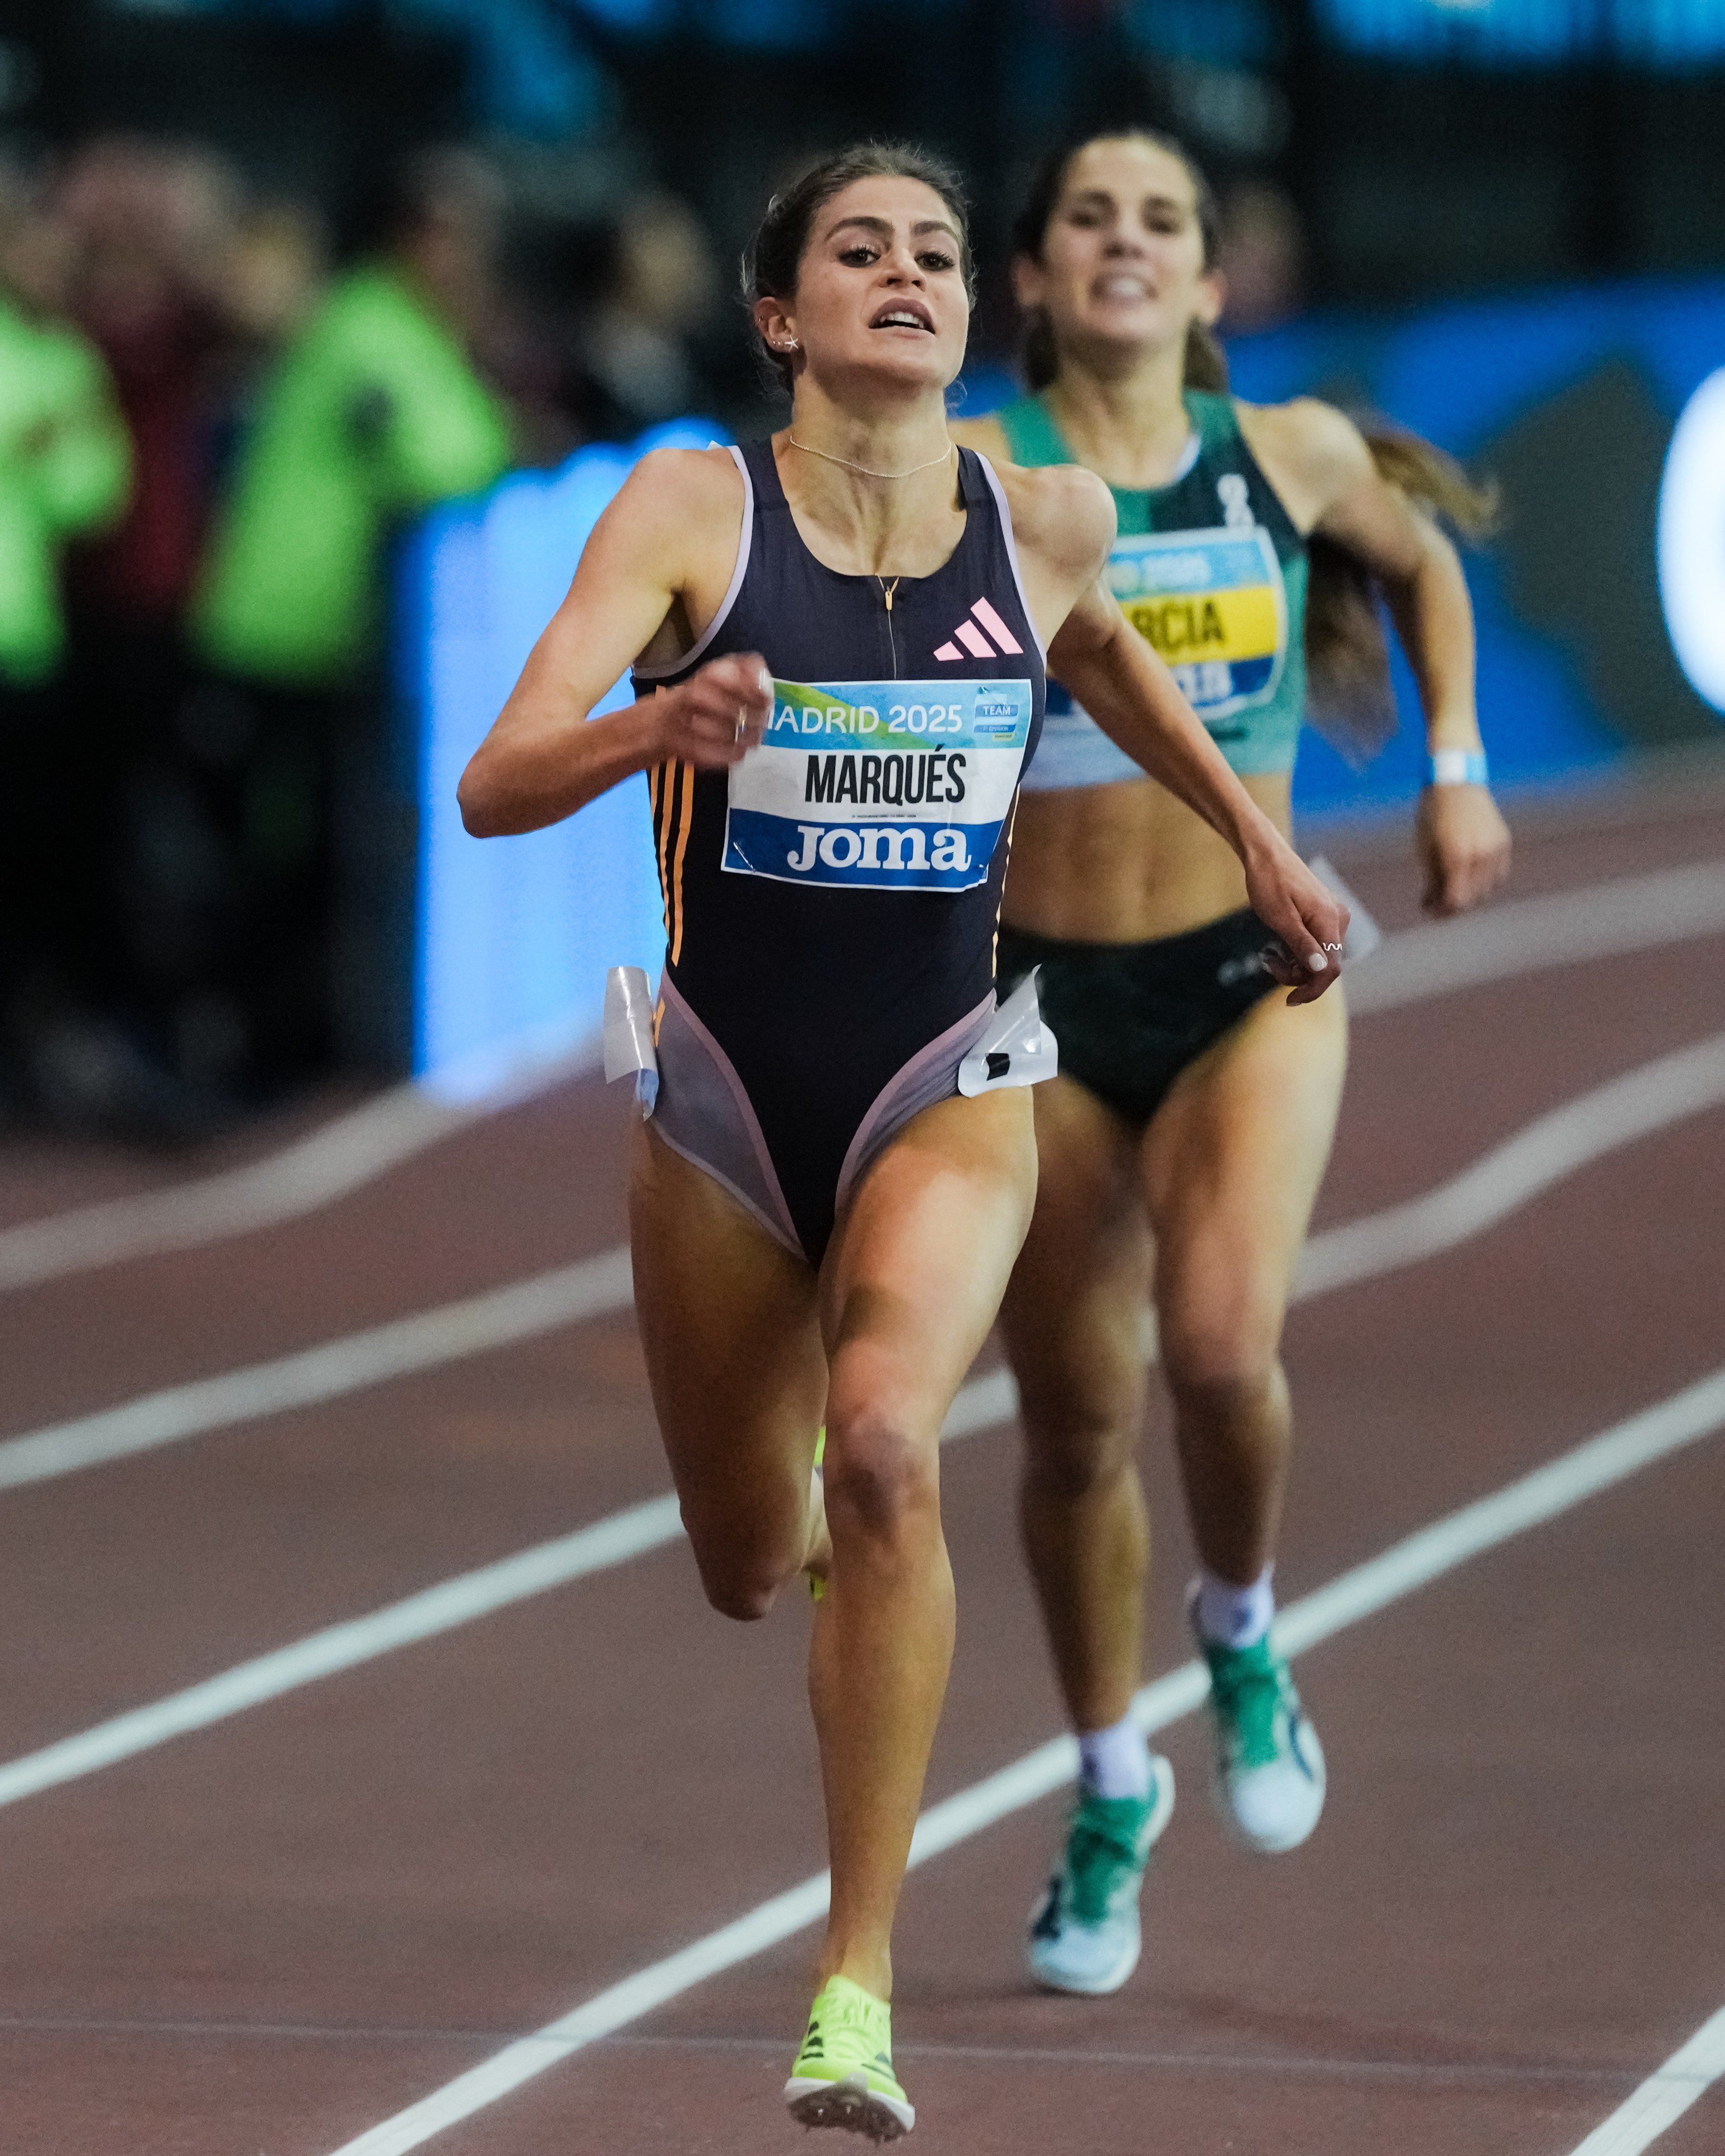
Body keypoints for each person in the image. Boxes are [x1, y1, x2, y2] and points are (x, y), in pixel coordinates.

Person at [457, 142, 1345, 2141]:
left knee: (887, 1449)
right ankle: (850, 1568)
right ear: (782, 316)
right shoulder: (696, 504)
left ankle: (851, 1985)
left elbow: (1103, 642)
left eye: (938, 252)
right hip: (715, 1107)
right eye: (859, 251)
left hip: (951, 1076)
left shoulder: (1042, 519)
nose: (910, 275)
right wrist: (650, 731)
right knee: (753, 1565)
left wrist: (1265, 846)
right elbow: (497, 779)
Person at [951, 129, 1511, 2000]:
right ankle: (1112, 1791)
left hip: (1248, 974)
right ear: (1030, 276)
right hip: (1029, 992)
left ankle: (1247, 1634)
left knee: (1218, 1346)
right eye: (1088, 218)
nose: (1125, 243)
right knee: (1075, 1424)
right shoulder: (975, 471)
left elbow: (1424, 569)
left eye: (1162, 222)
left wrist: (1452, 766)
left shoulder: (1288, 455)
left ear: (1209, 281)